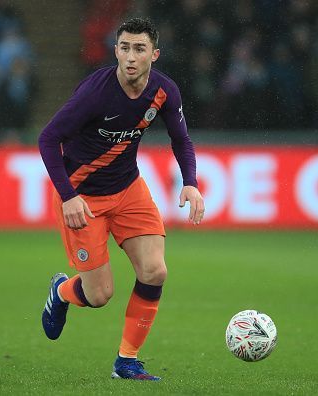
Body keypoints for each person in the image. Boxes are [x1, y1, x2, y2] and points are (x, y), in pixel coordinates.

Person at [38, 17, 205, 381]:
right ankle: (62, 291)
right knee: (99, 296)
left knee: (155, 271)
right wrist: (67, 196)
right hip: (82, 198)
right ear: (115, 51)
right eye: (124, 48)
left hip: (129, 190)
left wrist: (190, 182)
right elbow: (48, 140)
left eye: (139, 49)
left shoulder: (164, 91)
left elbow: (181, 139)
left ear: (154, 55)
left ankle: (126, 362)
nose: (131, 56)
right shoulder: (95, 93)